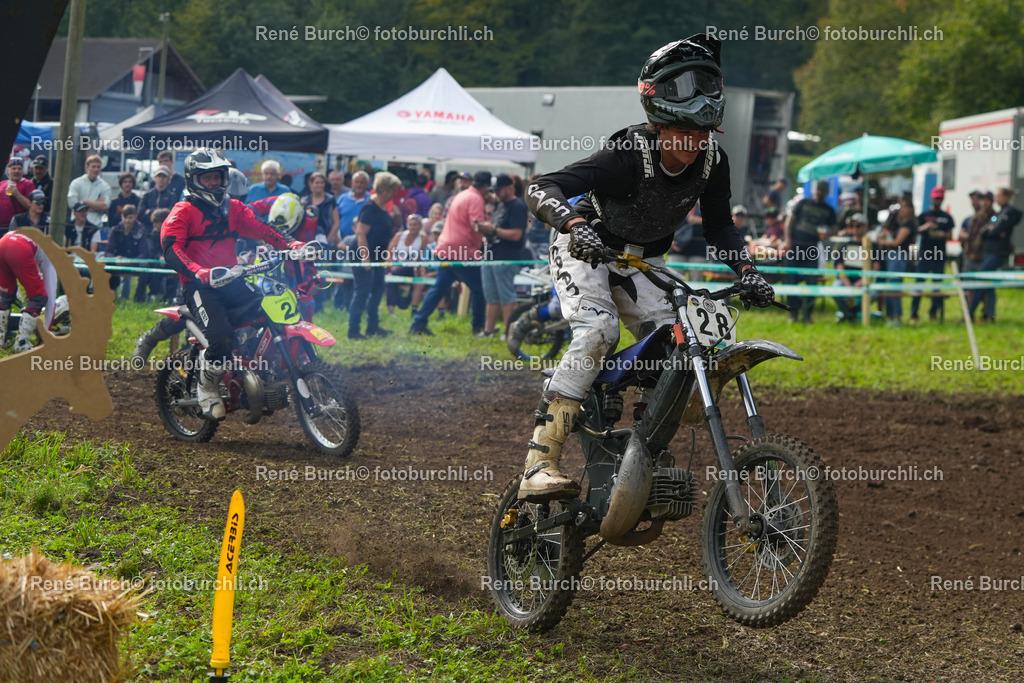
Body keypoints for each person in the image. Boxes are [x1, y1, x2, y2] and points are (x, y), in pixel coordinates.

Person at [516, 34, 774, 501]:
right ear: (660, 125)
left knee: (684, 344)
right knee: (598, 330)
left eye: (702, 135)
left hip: (643, 260)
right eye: (684, 135)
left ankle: (641, 450)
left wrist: (747, 272)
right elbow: (542, 185)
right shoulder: (627, 154)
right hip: (586, 246)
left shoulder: (714, 162)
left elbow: (720, 228)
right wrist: (574, 223)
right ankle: (540, 460)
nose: (694, 146)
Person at [161, 149, 313, 419]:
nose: (214, 184)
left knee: (268, 311)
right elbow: (171, 249)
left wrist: (291, 244)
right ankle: (206, 386)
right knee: (221, 337)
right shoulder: (183, 211)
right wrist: (199, 272)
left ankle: (250, 370)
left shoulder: (233, 208)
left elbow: (262, 228)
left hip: (232, 279)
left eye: (218, 178)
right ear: (193, 180)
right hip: (200, 286)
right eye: (207, 179)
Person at [408, 170, 492, 336]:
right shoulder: (475, 198)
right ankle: (478, 328)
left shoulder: (461, 195)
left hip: (446, 247)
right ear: (486, 186)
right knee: (478, 289)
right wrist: (486, 236)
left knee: (439, 288)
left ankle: (418, 322)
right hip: (460, 251)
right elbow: (477, 225)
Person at [349, 172, 402, 339]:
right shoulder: (370, 207)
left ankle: (373, 326)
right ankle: (354, 330)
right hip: (362, 255)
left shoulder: (383, 207)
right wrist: (365, 258)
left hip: (377, 257)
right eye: (393, 190)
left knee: (378, 290)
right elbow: (361, 233)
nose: (394, 194)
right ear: (385, 190)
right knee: (362, 292)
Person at [476, 173, 528, 337]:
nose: (496, 193)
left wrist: (493, 230)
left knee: (506, 295)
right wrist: (486, 230)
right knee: (491, 296)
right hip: (491, 256)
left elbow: (516, 234)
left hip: (507, 257)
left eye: (499, 190)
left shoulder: (517, 206)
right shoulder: (500, 206)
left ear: (509, 188)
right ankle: (488, 330)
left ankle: (507, 331)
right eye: (495, 190)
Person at [780, 180, 835, 323]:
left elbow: (835, 227)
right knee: (790, 281)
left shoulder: (829, 210)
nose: (820, 192)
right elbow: (789, 221)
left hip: (812, 249)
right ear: (814, 190)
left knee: (812, 282)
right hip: (795, 247)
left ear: (827, 192)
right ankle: (793, 313)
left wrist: (828, 233)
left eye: (823, 190)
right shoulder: (803, 202)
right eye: (819, 189)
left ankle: (807, 313)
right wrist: (788, 240)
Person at [969, 187, 1021, 323]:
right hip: (988, 252)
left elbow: (993, 230)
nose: (996, 198)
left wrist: (994, 230)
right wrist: (993, 229)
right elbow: (987, 230)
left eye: (998, 195)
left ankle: (969, 314)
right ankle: (990, 316)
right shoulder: (997, 214)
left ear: (1006, 197)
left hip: (996, 253)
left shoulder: (1008, 212)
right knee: (989, 284)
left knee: (981, 280)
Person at [0, 231, 57, 352]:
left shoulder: (38, 239)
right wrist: (44, 336)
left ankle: (1, 339)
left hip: (3, 242)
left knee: (5, 296)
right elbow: (50, 300)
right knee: (39, 297)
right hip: (19, 248)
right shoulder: (51, 260)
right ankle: (21, 343)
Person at [910, 186, 954, 323]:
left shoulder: (947, 217)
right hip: (925, 255)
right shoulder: (924, 215)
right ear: (931, 198)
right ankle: (914, 314)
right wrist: (927, 226)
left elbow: (950, 235)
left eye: (940, 198)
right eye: (936, 198)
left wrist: (941, 234)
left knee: (937, 286)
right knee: (919, 284)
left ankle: (934, 314)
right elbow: (916, 230)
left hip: (939, 256)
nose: (938, 200)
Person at [876, 193, 917, 326]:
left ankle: (897, 317)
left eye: (904, 207)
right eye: (901, 207)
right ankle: (890, 316)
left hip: (898, 257)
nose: (902, 210)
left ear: (911, 209)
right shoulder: (899, 222)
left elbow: (897, 242)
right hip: (892, 257)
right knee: (889, 287)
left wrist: (882, 241)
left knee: (893, 287)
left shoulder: (909, 224)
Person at [386, 213, 427, 314]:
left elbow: (420, 257)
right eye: (410, 224)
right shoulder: (399, 236)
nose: (412, 227)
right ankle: (391, 311)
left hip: (411, 267)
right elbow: (389, 253)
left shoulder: (422, 238)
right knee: (390, 279)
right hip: (396, 265)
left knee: (418, 280)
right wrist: (391, 266)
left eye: (415, 225)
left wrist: (419, 270)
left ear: (420, 226)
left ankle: (414, 309)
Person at [832, 212, 870, 323]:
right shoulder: (844, 245)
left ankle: (848, 314)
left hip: (864, 282)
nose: (855, 228)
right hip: (845, 282)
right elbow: (840, 267)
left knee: (872, 294)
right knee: (835, 288)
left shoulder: (871, 246)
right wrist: (849, 285)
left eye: (858, 226)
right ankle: (850, 315)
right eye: (852, 226)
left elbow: (875, 268)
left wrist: (860, 283)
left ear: (865, 227)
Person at [67, 155, 111, 229]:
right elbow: (72, 203)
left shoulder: (105, 186)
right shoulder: (76, 183)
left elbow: (105, 206)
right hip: (77, 226)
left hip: (96, 226)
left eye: (98, 167)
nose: (96, 169)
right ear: (87, 167)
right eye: (93, 167)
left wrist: (83, 201)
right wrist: (97, 206)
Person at [1, 157, 37, 229]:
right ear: (8, 170)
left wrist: (17, 194)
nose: (16, 171)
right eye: (14, 168)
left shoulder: (28, 184)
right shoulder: (2, 184)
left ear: (22, 171)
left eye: (19, 169)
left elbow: (33, 207)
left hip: (17, 226)